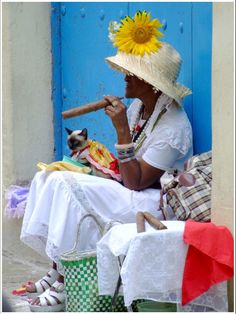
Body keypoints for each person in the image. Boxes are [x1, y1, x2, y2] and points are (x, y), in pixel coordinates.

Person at [20, 10, 193, 311]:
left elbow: (137, 182)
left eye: (131, 73)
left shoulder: (174, 126)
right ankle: (57, 267)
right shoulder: (140, 106)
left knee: (68, 186)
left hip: (154, 204)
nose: (124, 76)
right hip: (132, 186)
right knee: (49, 175)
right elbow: (126, 169)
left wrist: (121, 128)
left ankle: (66, 281)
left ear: (151, 83)